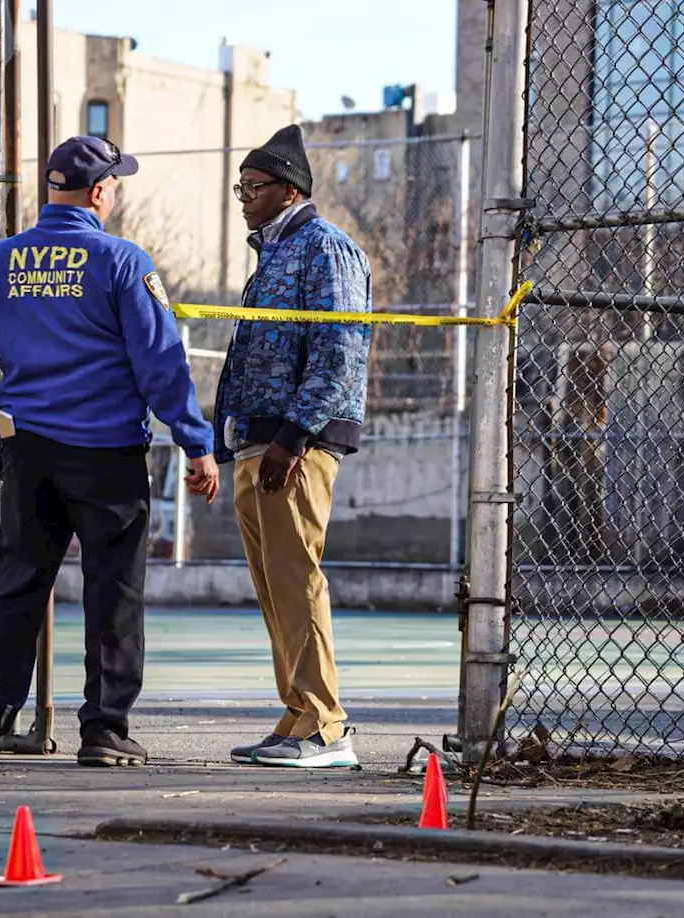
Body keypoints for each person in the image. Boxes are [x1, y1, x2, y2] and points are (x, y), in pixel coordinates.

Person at [0, 135, 219, 766]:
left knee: (16, 581)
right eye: (115, 183)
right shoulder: (123, 263)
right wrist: (194, 442)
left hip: (30, 450)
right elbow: (161, 365)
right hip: (106, 451)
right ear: (99, 192)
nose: (116, 192)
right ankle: (104, 729)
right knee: (113, 586)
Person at [215, 125, 373, 768]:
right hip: (258, 442)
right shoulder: (273, 254)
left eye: (252, 188)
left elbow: (340, 352)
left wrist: (293, 436)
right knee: (275, 585)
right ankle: (298, 712)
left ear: (288, 190)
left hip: (294, 446)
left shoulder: (325, 249)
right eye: (240, 189)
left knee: (297, 578)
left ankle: (327, 728)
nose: (243, 199)